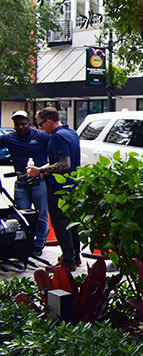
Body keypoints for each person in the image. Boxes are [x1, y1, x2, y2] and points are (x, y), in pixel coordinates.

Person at [26, 107, 82, 271]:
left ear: (49, 121)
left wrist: (41, 171)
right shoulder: (71, 133)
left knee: (60, 223)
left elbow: (65, 163)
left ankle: (68, 261)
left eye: (41, 124)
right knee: (72, 223)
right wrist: (43, 168)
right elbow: (62, 162)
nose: (40, 129)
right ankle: (75, 256)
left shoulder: (57, 137)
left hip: (59, 187)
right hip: (73, 185)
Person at [0, 110, 51, 258]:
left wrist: (46, 169)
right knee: (22, 215)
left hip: (39, 182)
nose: (21, 127)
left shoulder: (41, 136)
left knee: (42, 214)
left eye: (23, 124)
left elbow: (54, 150)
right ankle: (24, 244)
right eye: (17, 125)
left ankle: (39, 244)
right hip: (21, 183)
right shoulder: (9, 138)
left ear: (29, 123)